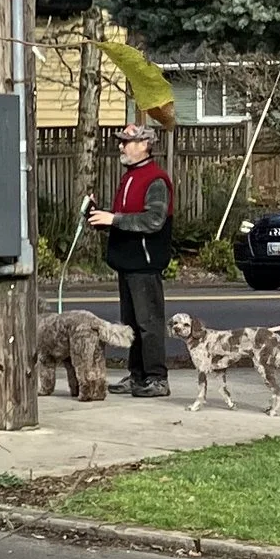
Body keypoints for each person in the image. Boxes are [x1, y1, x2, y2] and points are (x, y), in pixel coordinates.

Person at [84, 118, 173, 396]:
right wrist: (103, 218)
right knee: (131, 324)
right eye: (122, 141)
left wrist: (114, 219)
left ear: (145, 145)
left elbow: (154, 220)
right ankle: (137, 376)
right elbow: (125, 218)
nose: (121, 145)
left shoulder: (156, 180)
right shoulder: (130, 176)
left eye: (127, 141)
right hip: (127, 261)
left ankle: (157, 378)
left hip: (145, 264)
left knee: (149, 324)